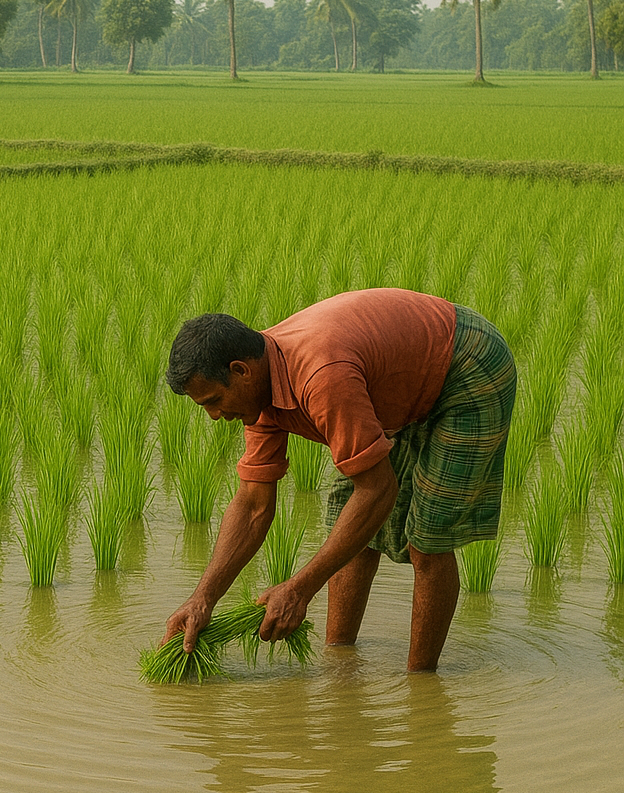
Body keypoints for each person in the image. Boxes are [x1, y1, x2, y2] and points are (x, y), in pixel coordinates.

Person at [161, 288, 516, 672]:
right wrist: (203, 599)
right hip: (402, 376)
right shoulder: (259, 392)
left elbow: (378, 490)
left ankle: (420, 683)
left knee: (428, 539)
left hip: (467, 364)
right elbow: (252, 506)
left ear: (240, 371)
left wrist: (299, 589)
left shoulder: (320, 375)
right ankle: (340, 661)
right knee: (351, 523)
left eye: (214, 401)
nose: (214, 415)